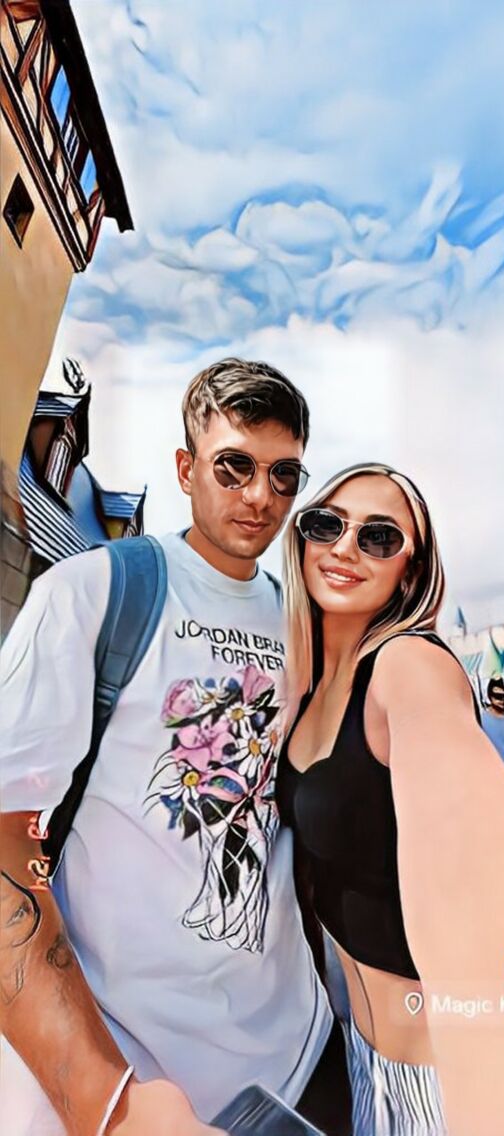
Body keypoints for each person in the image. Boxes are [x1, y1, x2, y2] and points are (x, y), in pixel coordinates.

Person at [0, 359, 350, 1136]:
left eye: (284, 475)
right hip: (124, 1074)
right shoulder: (94, 592)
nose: (260, 496)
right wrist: (111, 1105)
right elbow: (6, 840)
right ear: (187, 469)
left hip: (295, 1060)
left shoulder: (306, 627)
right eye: (234, 466)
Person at [276, 461, 504, 1136]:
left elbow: (487, 846)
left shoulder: (407, 666)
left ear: (410, 570)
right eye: (327, 524)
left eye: (379, 537)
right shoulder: (304, 689)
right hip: (357, 1063)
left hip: (442, 1083)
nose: (346, 546)